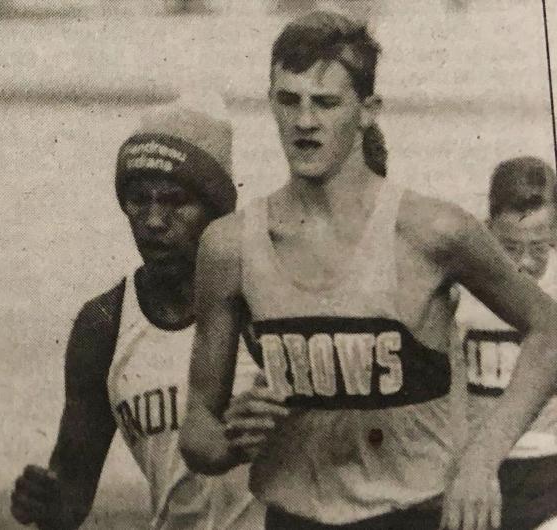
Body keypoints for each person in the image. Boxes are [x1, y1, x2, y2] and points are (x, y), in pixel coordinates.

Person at [179, 10, 557, 530]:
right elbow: (198, 427)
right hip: (295, 517)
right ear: (271, 104)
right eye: (288, 101)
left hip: (414, 514)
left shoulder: (431, 231)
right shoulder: (230, 246)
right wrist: (230, 441)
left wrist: (481, 457)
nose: (305, 122)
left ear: (367, 110)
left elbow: (549, 329)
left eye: (326, 103)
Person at [10, 102, 264, 529]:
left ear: (217, 209)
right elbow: (72, 492)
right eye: (137, 200)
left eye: (175, 201)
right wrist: (43, 501)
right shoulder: (104, 324)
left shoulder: (264, 298)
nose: (153, 220)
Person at [455, 156, 557, 530]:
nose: (525, 264)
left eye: (539, 248)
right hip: (481, 466)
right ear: (487, 233)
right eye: (510, 249)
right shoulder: (462, 294)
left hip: (551, 462)